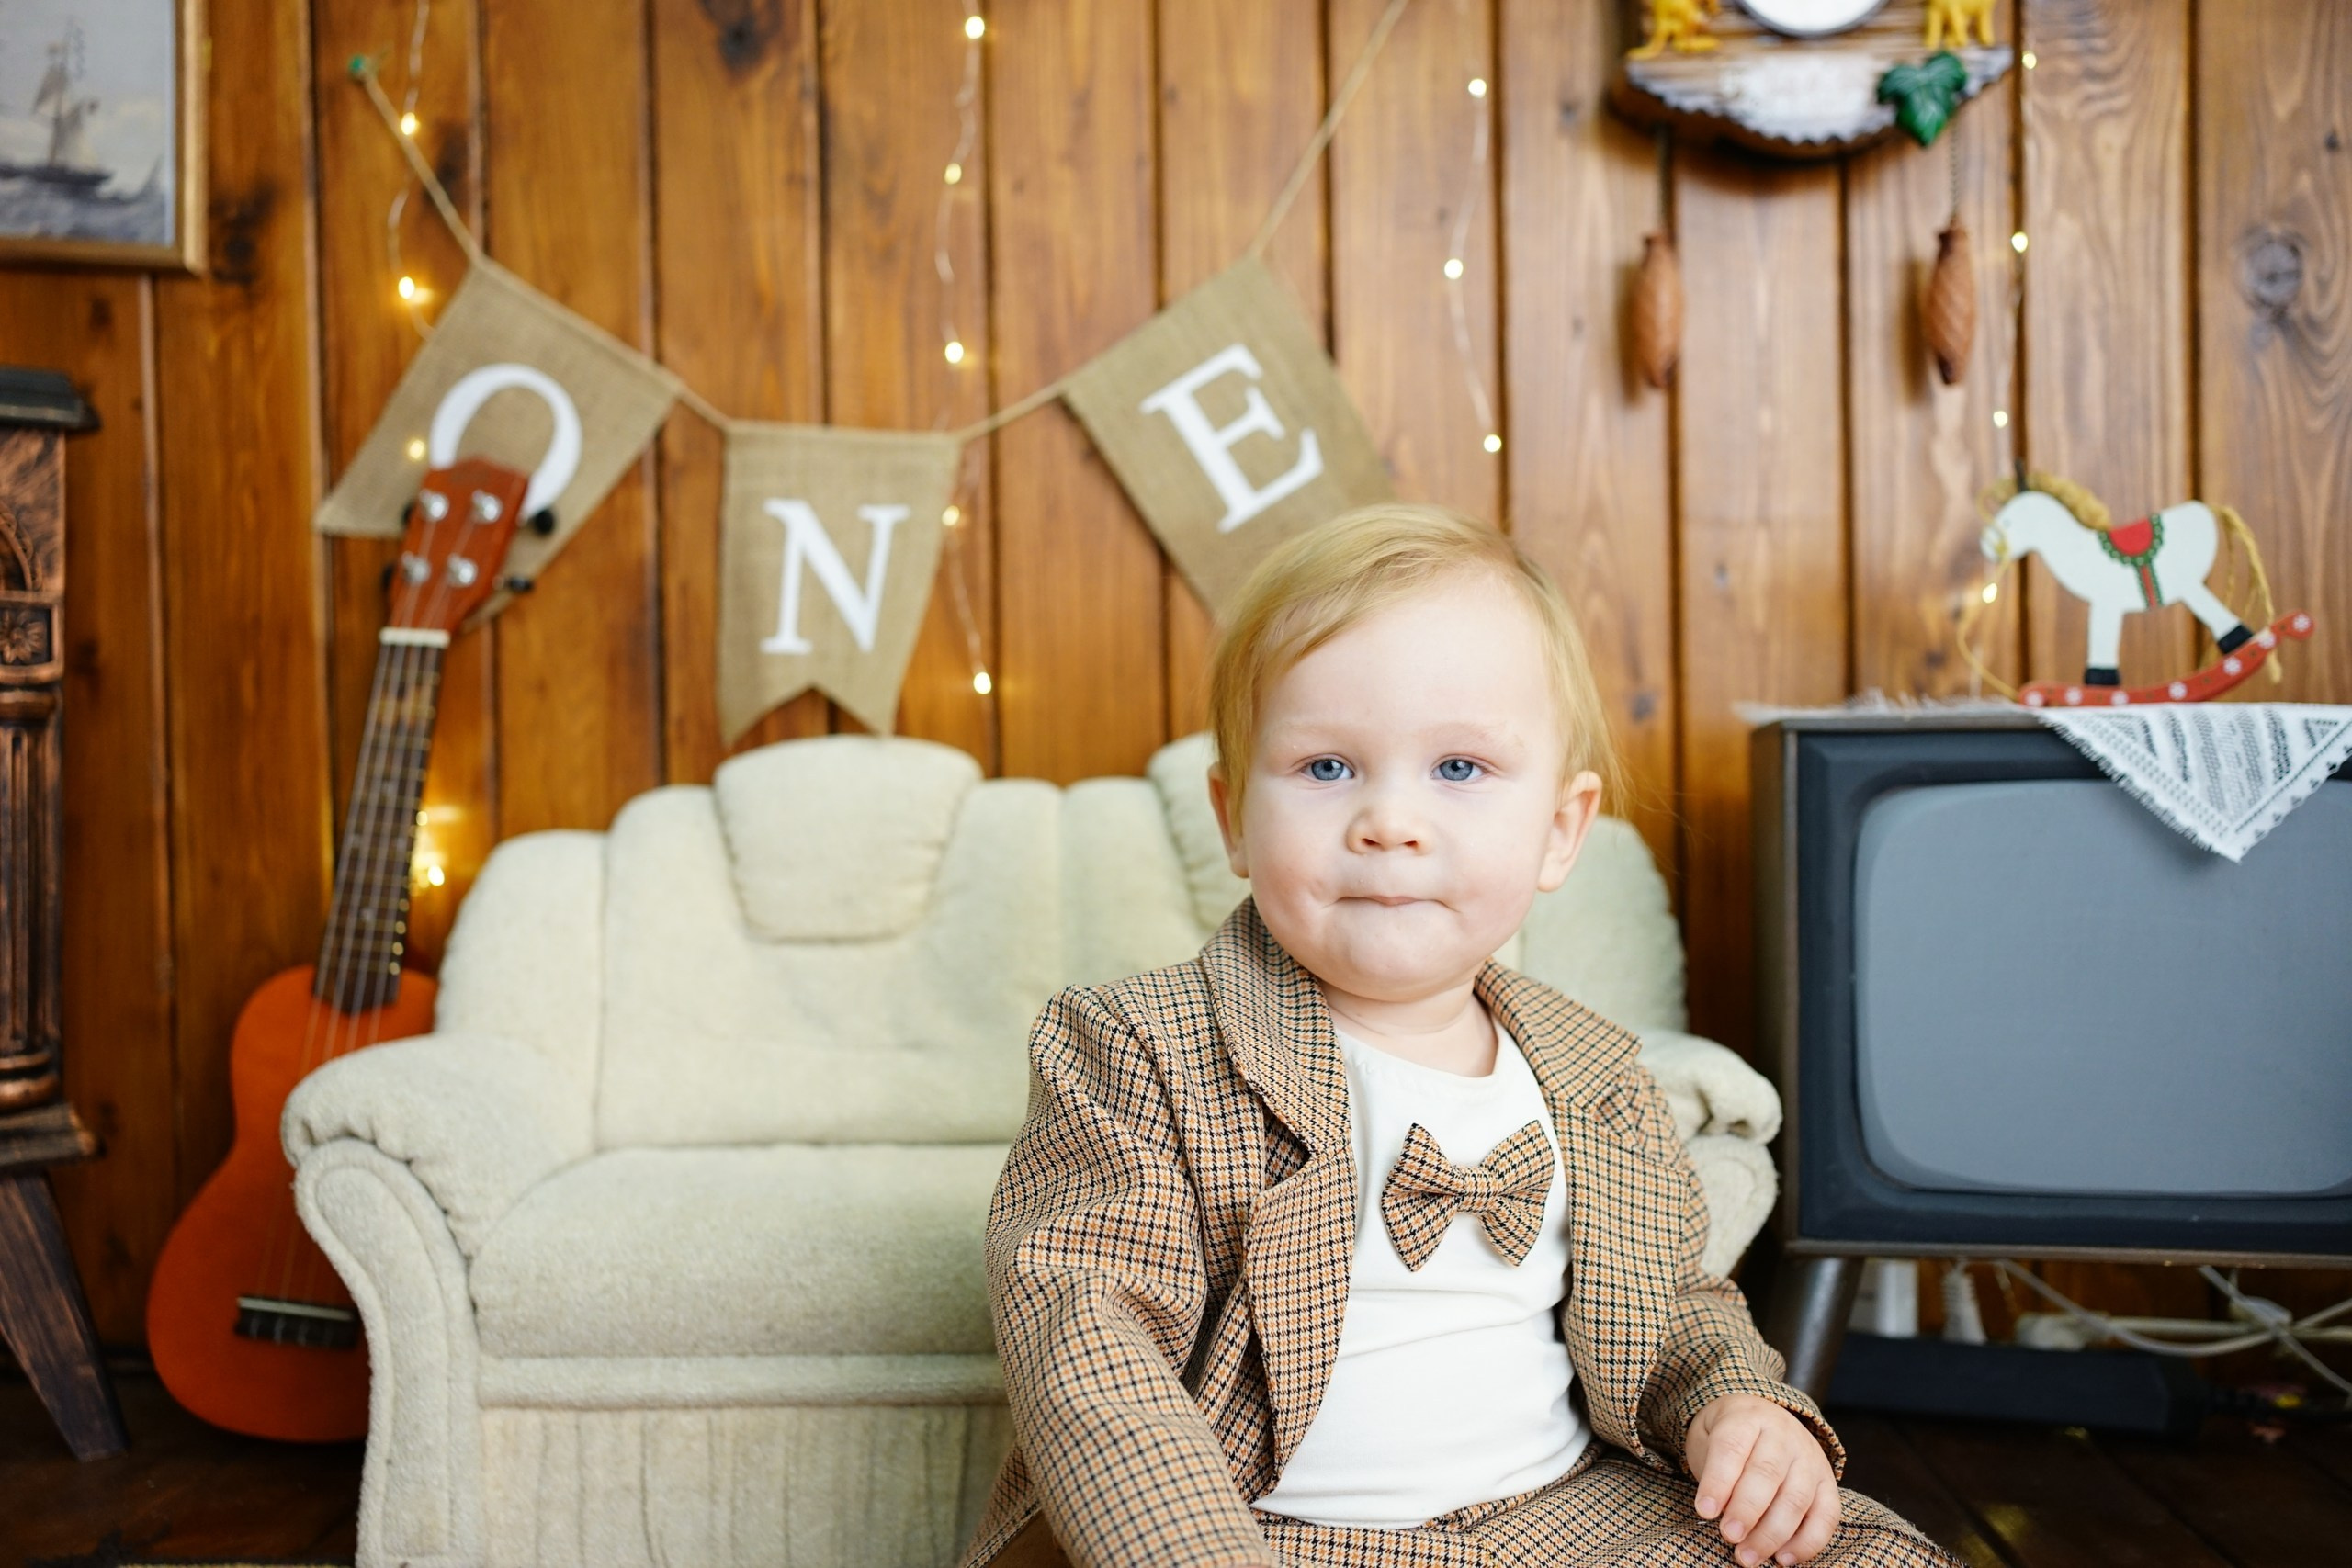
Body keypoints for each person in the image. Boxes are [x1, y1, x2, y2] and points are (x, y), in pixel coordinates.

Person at [962, 505, 1958, 1568]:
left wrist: (1736, 1409)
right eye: (1327, 768)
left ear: (1559, 832)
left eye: (1459, 770)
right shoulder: (1136, 1048)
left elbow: (1672, 1306)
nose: (1391, 821)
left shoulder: (1596, 1072)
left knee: (1872, 1554)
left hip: (1564, 1517)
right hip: (1266, 1531)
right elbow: (1090, 1349)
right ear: (1233, 818)